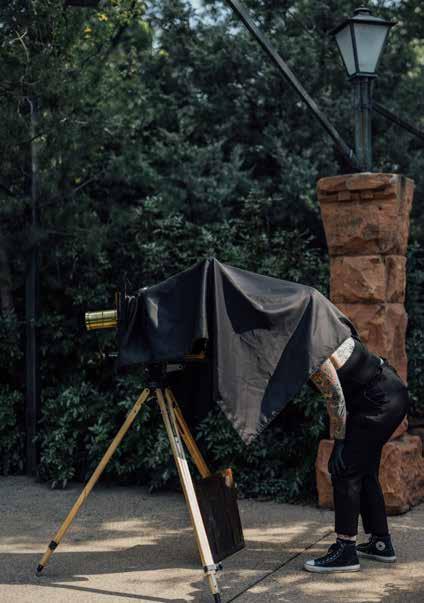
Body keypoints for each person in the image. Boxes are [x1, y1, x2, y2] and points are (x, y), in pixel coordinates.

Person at [303, 333, 410, 573]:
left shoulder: (311, 350)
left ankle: (346, 551)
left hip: (379, 401)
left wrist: (339, 442)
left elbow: (336, 398)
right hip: (388, 391)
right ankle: (380, 543)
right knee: (365, 469)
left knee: (345, 469)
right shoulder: (323, 328)